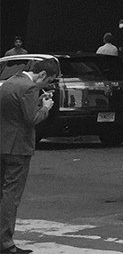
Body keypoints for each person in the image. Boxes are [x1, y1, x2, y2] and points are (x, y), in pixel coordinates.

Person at [1, 55, 57, 254]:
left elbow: (13, 111)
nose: (46, 84)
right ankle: (5, 242)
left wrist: (37, 102)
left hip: (3, 143)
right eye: (48, 80)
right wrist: (45, 108)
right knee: (11, 195)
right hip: (19, 147)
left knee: (2, 192)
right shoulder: (29, 87)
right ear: (42, 73)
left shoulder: (8, 83)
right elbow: (31, 118)